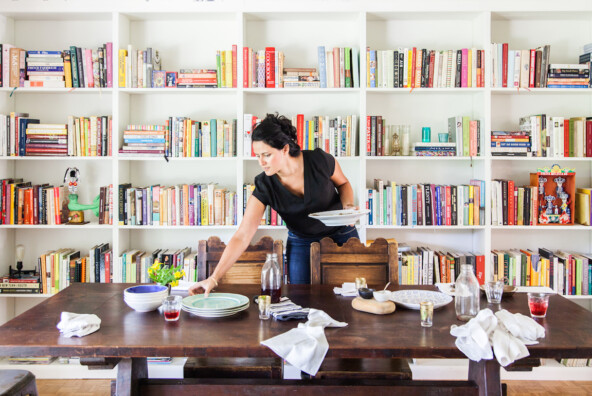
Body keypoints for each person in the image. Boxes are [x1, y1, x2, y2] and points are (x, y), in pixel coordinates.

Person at [189, 113, 359, 296]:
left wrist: (348, 206)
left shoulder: (319, 160)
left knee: (351, 296)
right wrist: (213, 278)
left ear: (285, 149)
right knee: (300, 299)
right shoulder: (265, 184)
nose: (261, 162)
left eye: (267, 155)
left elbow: (343, 184)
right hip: (302, 241)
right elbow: (243, 235)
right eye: (257, 156)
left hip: (341, 233)